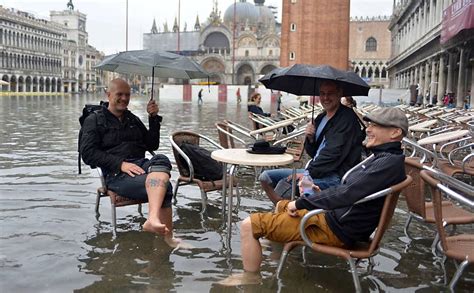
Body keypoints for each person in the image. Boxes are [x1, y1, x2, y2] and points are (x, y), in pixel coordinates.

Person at [218, 107, 409, 286]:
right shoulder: (385, 159)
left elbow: (347, 193)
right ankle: (276, 257)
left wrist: (302, 202)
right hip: (338, 219)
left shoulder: (386, 163)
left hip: (336, 228)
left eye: (375, 125)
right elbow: (350, 191)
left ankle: (250, 278)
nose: (368, 129)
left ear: (395, 133)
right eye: (369, 124)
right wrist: (318, 194)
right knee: (281, 206)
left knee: (248, 226)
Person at [80, 78, 184, 248]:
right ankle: (168, 238)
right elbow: (88, 154)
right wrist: (120, 164)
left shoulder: (132, 119)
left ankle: (153, 221)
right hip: (116, 175)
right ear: (108, 94)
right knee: (166, 186)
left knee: (162, 159)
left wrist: (153, 118)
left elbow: (152, 145)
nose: (124, 98)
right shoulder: (94, 120)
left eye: (127, 95)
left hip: (141, 165)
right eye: (119, 94)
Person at [259, 80, 366, 204]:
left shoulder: (346, 119)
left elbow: (332, 154)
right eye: (322, 93)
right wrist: (310, 138)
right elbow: (313, 153)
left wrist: (307, 173)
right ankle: (286, 214)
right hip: (318, 171)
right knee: (265, 178)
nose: (325, 97)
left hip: (335, 176)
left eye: (330, 93)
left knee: (286, 186)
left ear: (339, 93)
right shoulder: (321, 117)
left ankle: (283, 217)